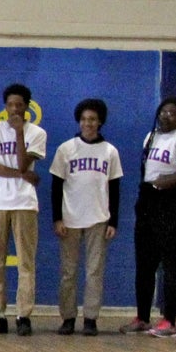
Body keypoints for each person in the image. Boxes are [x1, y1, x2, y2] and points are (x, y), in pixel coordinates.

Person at [125, 95, 176, 338]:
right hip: (149, 202)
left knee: (172, 265)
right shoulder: (152, 137)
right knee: (145, 264)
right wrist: (149, 190)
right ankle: (142, 317)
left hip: (174, 203)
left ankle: (169, 320)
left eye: (172, 113)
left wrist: (161, 184)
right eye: (163, 112)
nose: (165, 116)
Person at [49, 98, 121, 336]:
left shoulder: (110, 151)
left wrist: (114, 221)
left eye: (92, 119)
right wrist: (57, 218)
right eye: (84, 119)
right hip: (70, 218)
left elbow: (115, 188)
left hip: (98, 218)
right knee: (68, 272)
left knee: (94, 272)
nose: (88, 123)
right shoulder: (66, 149)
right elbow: (56, 186)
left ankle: (90, 318)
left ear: (100, 122)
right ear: (79, 121)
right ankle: (68, 317)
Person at [0, 82, 46, 336]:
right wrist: (21, 174)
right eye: (10, 105)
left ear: (27, 106)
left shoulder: (37, 133)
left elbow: (23, 161)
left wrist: (19, 133)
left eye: (19, 105)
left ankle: (23, 315)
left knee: (25, 262)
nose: (14, 109)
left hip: (25, 203)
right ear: (5, 106)